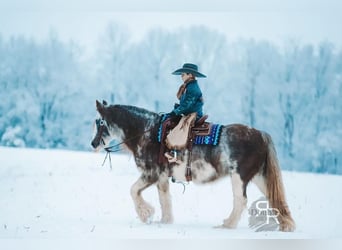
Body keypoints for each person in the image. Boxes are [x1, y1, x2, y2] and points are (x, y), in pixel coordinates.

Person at [164, 63, 206, 163]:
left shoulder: (193, 88)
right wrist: (176, 110)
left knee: (180, 128)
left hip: (193, 115)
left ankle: (177, 153)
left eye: (183, 74)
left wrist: (176, 112)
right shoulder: (188, 86)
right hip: (187, 113)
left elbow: (187, 104)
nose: (181, 76)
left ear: (190, 75)